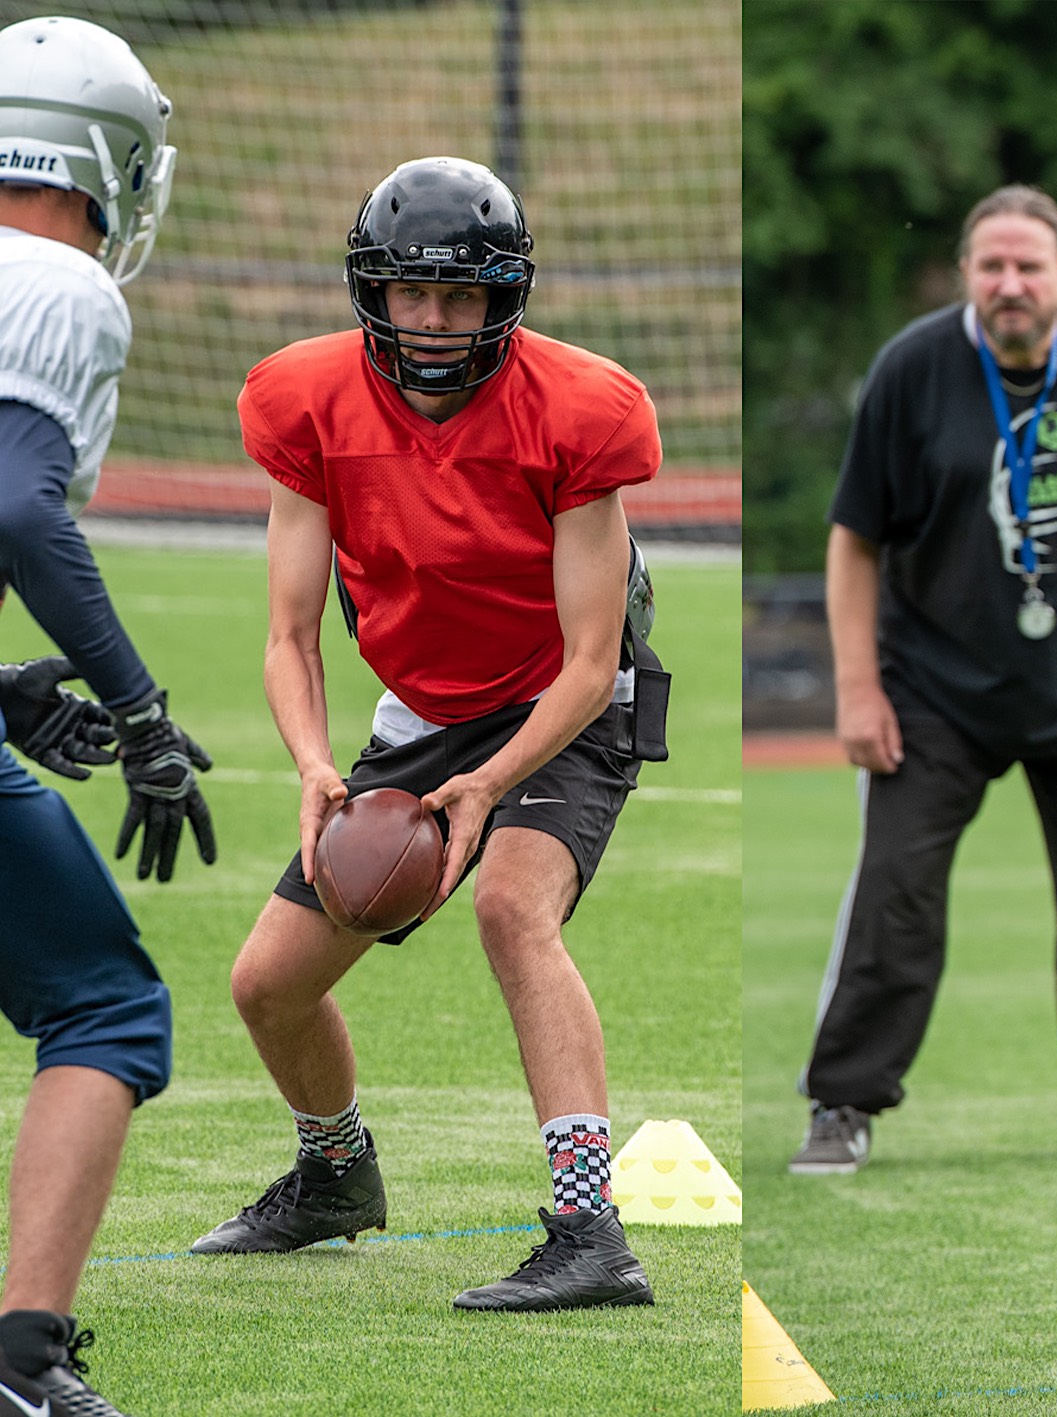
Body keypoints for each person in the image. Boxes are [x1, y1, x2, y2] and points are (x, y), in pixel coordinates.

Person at [190, 156, 668, 1314]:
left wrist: (488, 785)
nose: (437, 322)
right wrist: (314, 763)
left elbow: (593, 660)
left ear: (506, 299)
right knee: (268, 985)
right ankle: (335, 1173)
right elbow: (290, 636)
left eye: (462, 298)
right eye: (413, 294)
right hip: (422, 708)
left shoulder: (582, 408)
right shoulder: (304, 399)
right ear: (375, 291)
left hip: (562, 703)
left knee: (511, 905)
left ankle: (590, 1228)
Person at [788, 183, 1057, 1174]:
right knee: (894, 899)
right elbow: (854, 541)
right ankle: (842, 1104)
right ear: (966, 274)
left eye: (1028, 266)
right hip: (931, 691)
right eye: (991, 265)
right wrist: (858, 688)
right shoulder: (911, 369)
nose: (1009, 283)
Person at [0, 16, 215, 1416]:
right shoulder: (57, 283)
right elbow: (17, 504)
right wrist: (139, 714)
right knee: (108, 1005)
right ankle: (22, 1360)